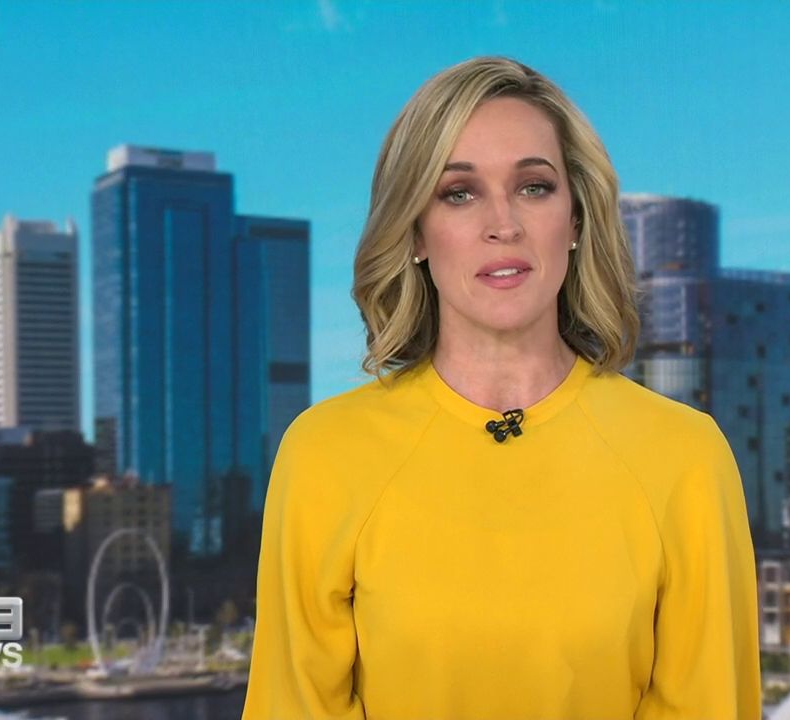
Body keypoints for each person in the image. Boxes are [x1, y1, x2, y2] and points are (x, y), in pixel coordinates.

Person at [242, 56, 759, 720]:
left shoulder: (685, 456)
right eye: (459, 193)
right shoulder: (323, 454)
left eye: (534, 187)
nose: (503, 224)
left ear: (576, 220)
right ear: (415, 231)